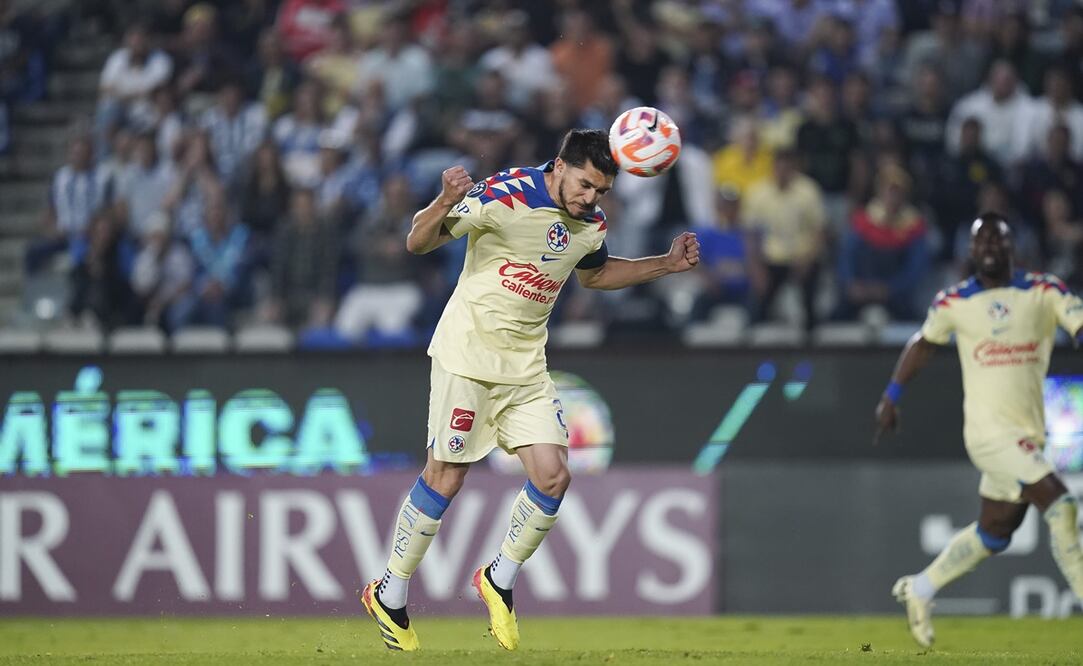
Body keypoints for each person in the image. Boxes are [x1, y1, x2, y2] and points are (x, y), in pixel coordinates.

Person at [358, 129, 700, 651]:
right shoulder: (504, 195)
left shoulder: (588, 225)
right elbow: (417, 240)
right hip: (467, 356)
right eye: (586, 185)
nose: (591, 199)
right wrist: (445, 201)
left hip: (525, 367)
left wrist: (665, 264)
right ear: (560, 166)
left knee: (555, 475)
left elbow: (596, 273)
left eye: (602, 192)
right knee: (446, 479)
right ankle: (390, 591)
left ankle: (498, 579)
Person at [874, 214, 1083, 648]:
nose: (989, 244)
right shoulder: (953, 302)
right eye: (980, 238)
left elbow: (1078, 322)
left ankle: (921, 587)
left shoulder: (1043, 291)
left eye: (997, 237)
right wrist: (891, 396)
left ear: (1012, 246)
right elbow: (923, 345)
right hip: (988, 435)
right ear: (970, 251)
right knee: (1061, 506)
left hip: (1027, 434)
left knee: (996, 531)